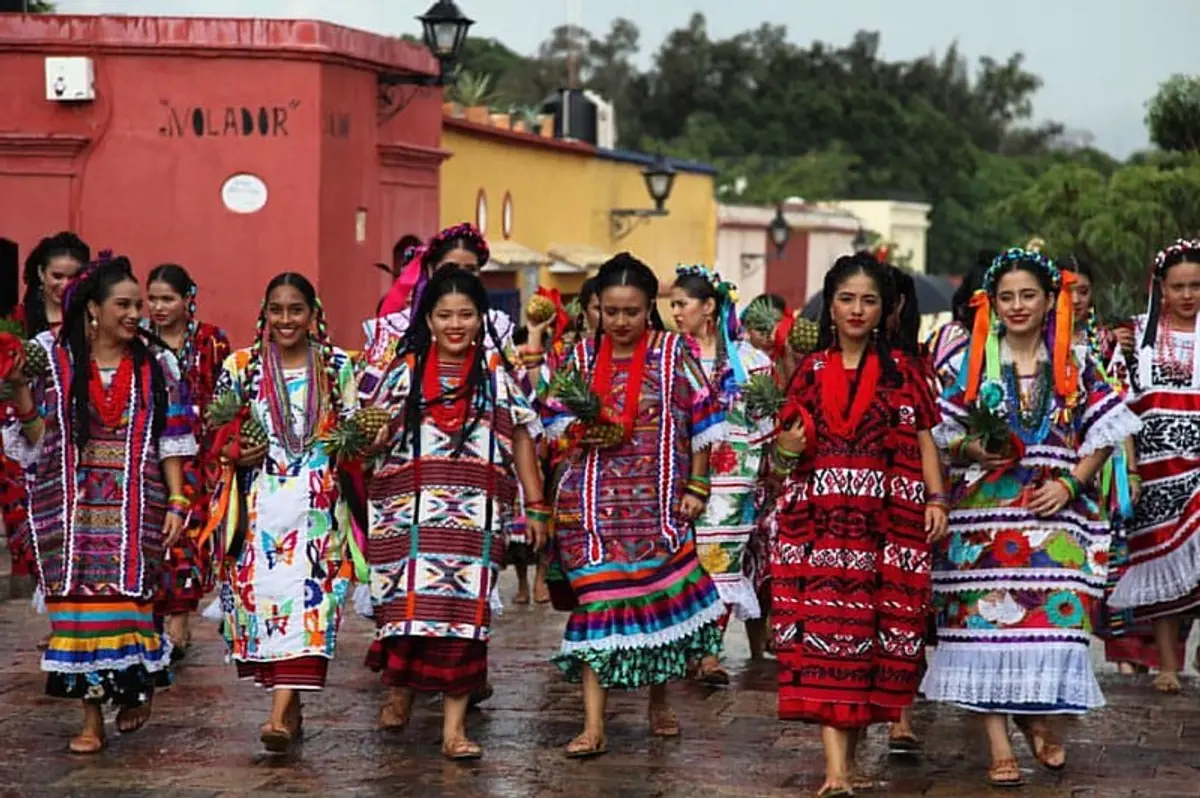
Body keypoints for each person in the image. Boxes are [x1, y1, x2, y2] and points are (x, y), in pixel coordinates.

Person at [922, 248, 1140, 788]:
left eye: (1028, 295)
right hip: (983, 525)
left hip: (1054, 517)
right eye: (1007, 297)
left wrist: (1070, 482)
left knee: (1056, 626)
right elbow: (943, 434)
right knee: (979, 631)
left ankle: (1040, 719)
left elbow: (1105, 433)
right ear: (991, 304)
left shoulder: (1075, 362)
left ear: (1050, 301)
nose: (1017, 306)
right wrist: (976, 452)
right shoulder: (970, 363)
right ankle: (999, 745)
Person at [770, 252, 946, 797]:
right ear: (831, 305)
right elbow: (782, 452)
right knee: (826, 636)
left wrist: (936, 499)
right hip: (820, 526)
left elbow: (923, 442)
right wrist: (786, 446)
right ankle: (836, 772)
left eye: (868, 300)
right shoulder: (810, 371)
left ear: (885, 309)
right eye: (846, 298)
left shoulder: (905, 375)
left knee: (870, 642)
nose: (856, 309)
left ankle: (853, 757)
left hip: (885, 527)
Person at [3, 255, 195, 753]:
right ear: (93, 309)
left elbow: (172, 437)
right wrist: (21, 390)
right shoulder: (53, 357)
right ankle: (90, 720)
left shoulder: (157, 366)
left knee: (129, 609)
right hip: (68, 507)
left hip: (136, 505)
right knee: (76, 615)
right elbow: (38, 436)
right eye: (124, 305)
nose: (136, 314)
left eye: (139, 305)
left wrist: (177, 501)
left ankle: (136, 688)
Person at [543, 253, 727, 758]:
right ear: (596, 309)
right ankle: (593, 724)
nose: (620, 322)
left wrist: (698, 486)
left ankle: (658, 701)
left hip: (658, 505)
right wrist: (581, 428)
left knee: (657, 608)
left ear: (651, 309)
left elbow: (705, 423)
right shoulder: (579, 359)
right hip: (592, 512)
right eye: (611, 311)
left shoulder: (673, 353)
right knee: (596, 609)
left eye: (632, 312)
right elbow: (552, 420)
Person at [362, 267, 546, 760]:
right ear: (428, 318)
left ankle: (454, 730)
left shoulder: (497, 374)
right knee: (408, 614)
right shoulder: (403, 371)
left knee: (466, 621)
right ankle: (399, 691)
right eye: (444, 315)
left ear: (482, 317)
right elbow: (370, 432)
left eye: (466, 314)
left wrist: (537, 505)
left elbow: (523, 436)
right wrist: (371, 436)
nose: (456, 324)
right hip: (410, 519)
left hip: (474, 522)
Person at [210, 272, 358, 753]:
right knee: (267, 604)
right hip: (258, 511)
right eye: (277, 309)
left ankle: (279, 711)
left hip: (319, 511)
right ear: (264, 313)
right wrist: (235, 451)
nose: (287, 319)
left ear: (314, 315)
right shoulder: (241, 366)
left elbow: (354, 433)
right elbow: (216, 433)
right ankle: (288, 704)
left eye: (297, 310)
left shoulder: (337, 367)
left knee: (313, 603)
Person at [669, 265, 773, 683]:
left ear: (709, 306)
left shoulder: (751, 362)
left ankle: (710, 653)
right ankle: (684, 647)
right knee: (680, 561)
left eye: (683, 303)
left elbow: (767, 423)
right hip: (677, 473)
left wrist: (767, 470)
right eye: (672, 304)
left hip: (734, 477)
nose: (676, 312)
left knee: (721, 561)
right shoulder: (668, 357)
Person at [1108, 238, 1200, 693]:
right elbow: (1118, 399)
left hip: (1198, 464)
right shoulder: (1138, 335)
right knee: (1162, 565)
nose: (1187, 295)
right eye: (1178, 286)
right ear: (1161, 288)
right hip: (1156, 467)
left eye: (1196, 286)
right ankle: (1167, 664)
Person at [144, 264, 232, 660]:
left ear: (187, 299)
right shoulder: (140, 342)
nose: (159, 307)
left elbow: (227, 392)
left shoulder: (211, 341)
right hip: (151, 453)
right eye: (154, 299)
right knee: (157, 532)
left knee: (191, 539)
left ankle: (179, 623)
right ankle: (153, 620)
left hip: (201, 455)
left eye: (168, 298)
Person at [4, 233, 91, 618]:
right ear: (40, 274)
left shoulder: (92, 323)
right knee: (34, 530)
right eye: (57, 275)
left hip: (73, 440)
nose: (63, 285)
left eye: (73, 276)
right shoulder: (19, 324)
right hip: (20, 437)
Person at [360, 223, 515, 402]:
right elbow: (367, 399)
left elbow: (523, 395)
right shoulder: (394, 329)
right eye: (450, 268)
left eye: (470, 270)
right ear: (431, 270)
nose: (460, 276)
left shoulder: (496, 328)